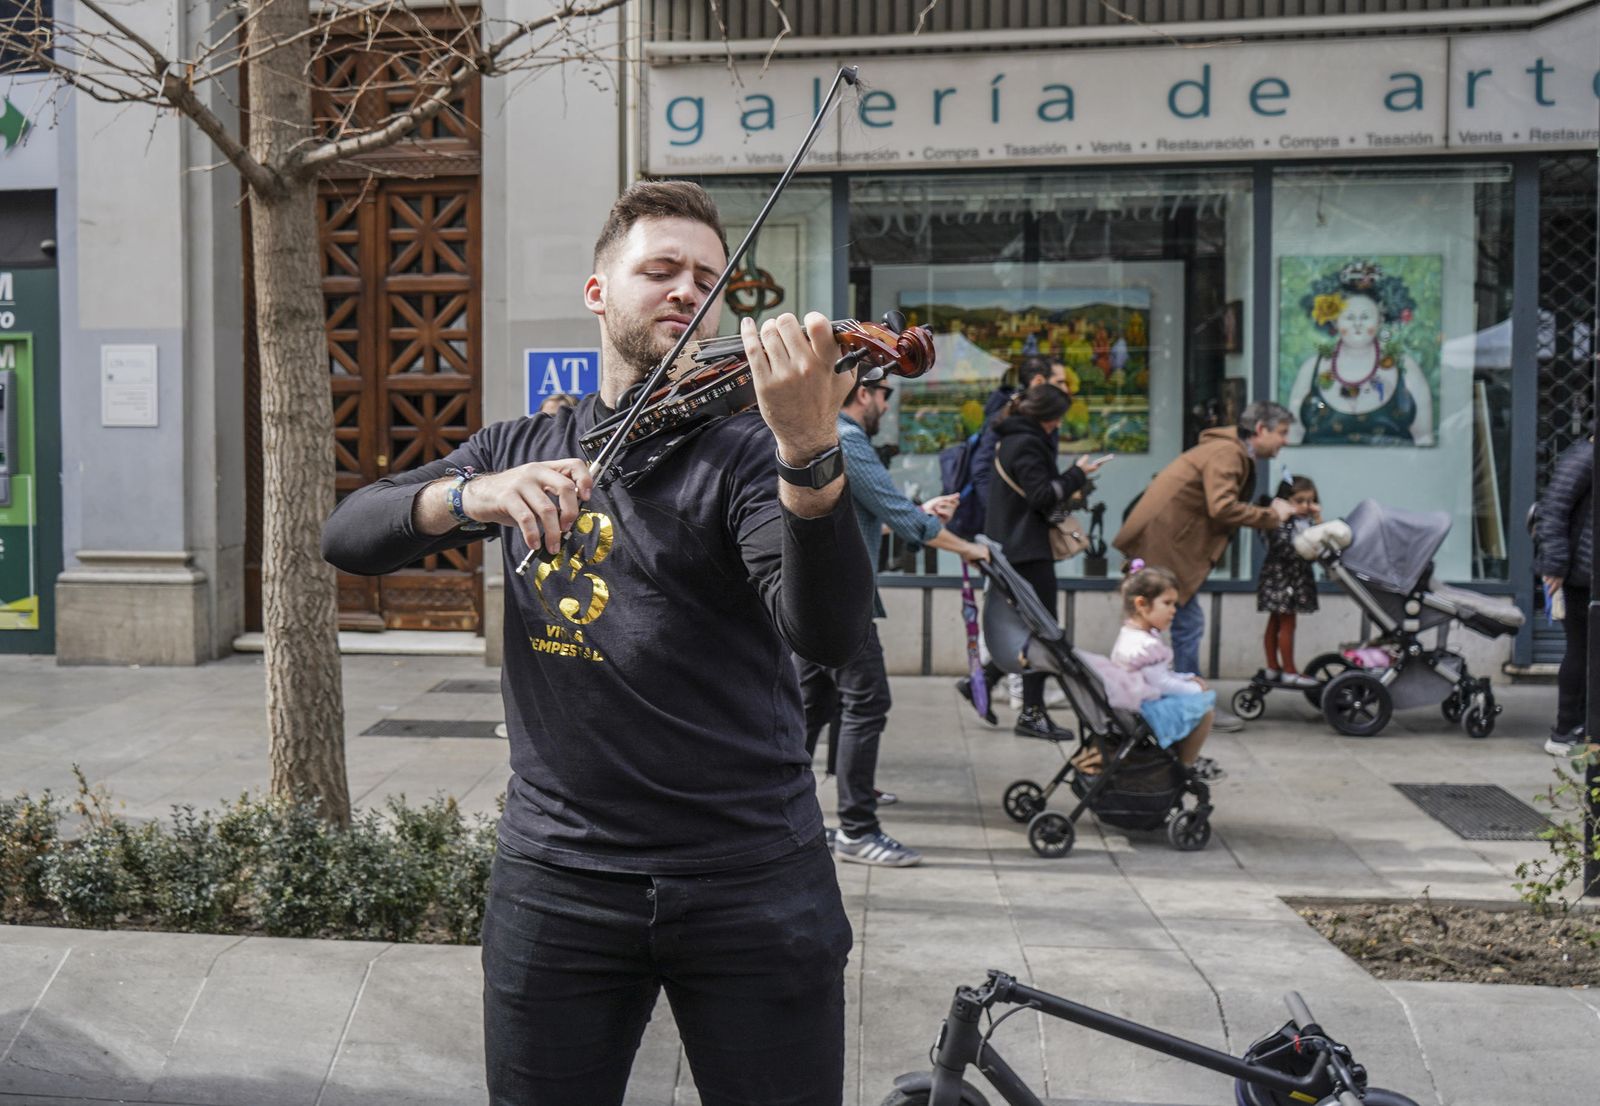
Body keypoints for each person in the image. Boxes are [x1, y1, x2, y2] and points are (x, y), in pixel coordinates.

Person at [322, 180, 874, 1106]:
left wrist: (811, 455)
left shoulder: (747, 453)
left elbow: (826, 630)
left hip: (752, 877)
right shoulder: (522, 444)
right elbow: (350, 534)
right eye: (660, 269)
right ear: (598, 291)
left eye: (707, 278)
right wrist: (469, 496)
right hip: (559, 879)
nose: (687, 290)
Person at [796, 378, 989, 868]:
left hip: (809, 598)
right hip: (841, 600)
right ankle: (858, 829)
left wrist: (918, 512)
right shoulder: (847, 435)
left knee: (808, 709)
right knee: (866, 702)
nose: (886, 405)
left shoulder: (817, 433)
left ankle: (781, 819)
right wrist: (969, 548)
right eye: (885, 395)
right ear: (865, 393)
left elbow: (862, 510)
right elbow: (901, 519)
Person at [1113, 400, 1296, 732]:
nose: (1285, 440)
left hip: (1166, 542)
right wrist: (1271, 516)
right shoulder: (1228, 454)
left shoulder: (1227, 450)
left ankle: (1149, 697)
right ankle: (1190, 704)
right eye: (1282, 433)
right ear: (1260, 430)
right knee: (1186, 622)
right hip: (1167, 544)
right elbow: (1222, 506)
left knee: (1163, 622)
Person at [967, 384, 1108, 740]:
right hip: (1026, 551)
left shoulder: (1012, 438)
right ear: (1049, 418)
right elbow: (1041, 495)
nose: (1059, 426)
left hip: (1012, 549)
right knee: (1045, 631)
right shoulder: (1027, 443)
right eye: (1058, 418)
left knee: (1029, 630)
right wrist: (1077, 474)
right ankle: (1031, 712)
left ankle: (982, 682)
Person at [1089, 563, 1222, 780]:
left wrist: (1187, 677)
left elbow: (1160, 675)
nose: (1174, 611)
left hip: (1141, 700)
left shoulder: (1135, 634)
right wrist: (1194, 689)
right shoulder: (1144, 646)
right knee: (1204, 712)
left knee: (1192, 706)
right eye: (1167, 603)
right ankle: (1185, 766)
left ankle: (1178, 758)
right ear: (1142, 604)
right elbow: (1162, 684)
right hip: (1144, 708)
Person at [1284, 260, 1434, 447]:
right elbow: (1293, 434)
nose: (1357, 324)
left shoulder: (1406, 367)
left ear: (1381, 320)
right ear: (1334, 322)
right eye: (1349, 317)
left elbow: (1424, 438)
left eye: (1365, 317)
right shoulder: (1311, 369)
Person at [1535, 433, 1594, 757]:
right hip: (1580, 577)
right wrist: (1555, 566)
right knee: (1582, 650)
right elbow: (1553, 510)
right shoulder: (1584, 457)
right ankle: (1565, 730)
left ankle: (1585, 726)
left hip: (1586, 573)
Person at [1256, 474, 1322, 690]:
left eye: (1310, 501)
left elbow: (1320, 539)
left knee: (1278, 622)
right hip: (1282, 579)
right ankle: (1288, 670)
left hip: (1290, 578)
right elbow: (1285, 547)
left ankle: (1275, 667)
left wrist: (1318, 518)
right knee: (1284, 623)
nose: (1305, 506)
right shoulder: (1280, 522)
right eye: (1300, 501)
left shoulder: (1303, 521)